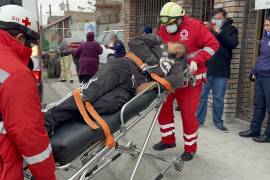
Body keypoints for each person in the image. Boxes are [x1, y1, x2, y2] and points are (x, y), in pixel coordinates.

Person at [44, 34, 188, 136]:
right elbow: (134, 42)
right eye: (177, 43)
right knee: (91, 92)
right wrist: (156, 48)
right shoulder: (156, 43)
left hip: (132, 86)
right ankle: (49, 118)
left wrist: (154, 84)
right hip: (124, 66)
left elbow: (177, 80)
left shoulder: (176, 65)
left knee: (110, 105)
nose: (178, 46)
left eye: (182, 46)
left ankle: (68, 118)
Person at [153, 2, 220, 161]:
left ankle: (190, 148)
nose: (167, 27)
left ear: (180, 19)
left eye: (171, 24)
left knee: (188, 115)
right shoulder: (163, 27)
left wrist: (198, 60)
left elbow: (213, 45)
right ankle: (168, 140)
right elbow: (160, 48)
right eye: (165, 24)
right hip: (169, 78)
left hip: (190, 80)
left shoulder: (195, 27)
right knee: (164, 109)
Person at [0, 5, 56, 179]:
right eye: (30, 44)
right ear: (19, 37)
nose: (30, 49)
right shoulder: (17, 74)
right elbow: (30, 138)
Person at [196, 8, 238, 132]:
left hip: (222, 70)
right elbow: (200, 43)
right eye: (215, 18)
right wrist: (203, 29)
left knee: (218, 98)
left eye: (219, 18)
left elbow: (232, 44)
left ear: (225, 18)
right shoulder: (209, 29)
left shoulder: (231, 30)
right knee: (202, 96)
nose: (216, 21)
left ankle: (218, 122)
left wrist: (220, 32)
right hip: (207, 68)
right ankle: (198, 120)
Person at [239, 17, 270, 143]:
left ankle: (268, 134)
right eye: (265, 25)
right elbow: (262, 56)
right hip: (260, 75)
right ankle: (254, 129)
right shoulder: (266, 36)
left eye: (268, 25)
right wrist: (255, 70)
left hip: (269, 77)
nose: (265, 27)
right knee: (258, 104)